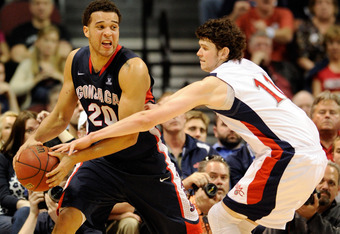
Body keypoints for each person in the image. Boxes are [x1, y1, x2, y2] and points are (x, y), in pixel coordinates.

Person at [51, 17, 328, 233]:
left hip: (287, 156)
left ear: (224, 51)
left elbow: (147, 120)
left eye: (204, 48)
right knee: (238, 221)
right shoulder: (249, 67)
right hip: (308, 153)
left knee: (223, 218)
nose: (197, 53)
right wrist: (159, 109)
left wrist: (90, 138)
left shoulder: (217, 83)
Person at [15, 1, 202, 233]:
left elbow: (128, 137)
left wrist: (73, 158)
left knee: (189, 230)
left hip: (144, 162)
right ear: (86, 30)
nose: (108, 33)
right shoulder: (75, 60)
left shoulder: (132, 68)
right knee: (66, 216)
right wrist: (30, 142)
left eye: (114, 27)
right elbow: (61, 116)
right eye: (101, 26)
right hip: (101, 160)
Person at [264, 160, 340, 233]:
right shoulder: (294, 207)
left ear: (338, 190)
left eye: (331, 183)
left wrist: (312, 217)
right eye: (320, 180)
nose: (325, 187)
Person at [158, 92, 218, 179]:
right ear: (158, 118)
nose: (174, 115)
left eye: (178, 109)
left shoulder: (206, 151)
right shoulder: (151, 152)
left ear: (185, 115)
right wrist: (185, 184)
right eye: (168, 110)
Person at [0, 111, 39, 234]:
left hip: (39, 212)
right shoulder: (4, 158)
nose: (35, 134)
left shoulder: (48, 158)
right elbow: (3, 197)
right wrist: (30, 206)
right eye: (29, 130)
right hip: (6, 213)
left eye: (39, 129)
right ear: (19, 133)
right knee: (25, 214)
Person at [10, 25, 65, 110]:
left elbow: (75, 87)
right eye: (46, 40)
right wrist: (35, 80)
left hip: (59, 109)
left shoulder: (63, 63)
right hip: (34, 109)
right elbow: (13, 88)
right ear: (38, 42)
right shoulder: (28, 64)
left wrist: (57, 76)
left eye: (53, 41)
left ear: (57, 44)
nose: (49, 45)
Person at [183, 155, 230, 234]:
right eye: (213, 176)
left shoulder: (235, 209)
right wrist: (183, 184)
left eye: (223, 177)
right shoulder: (186, 206)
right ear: (199, 178)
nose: (219, 182)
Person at [294, 0, 339, 73]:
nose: (324, 7)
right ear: (313, 7)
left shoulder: (338, 25)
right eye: (319, 3)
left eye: (328, 3)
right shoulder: (304, 27)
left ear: (335, 7)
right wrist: (319, 72)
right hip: (313, 72)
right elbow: (301, 57)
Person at [309, 25, 340, 96]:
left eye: (339, 43)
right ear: (326, 45)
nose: (335, 47)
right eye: (331, 43)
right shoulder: (319, 70)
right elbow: (316, 97)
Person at [311, 90, 340, 161]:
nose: (327, 115)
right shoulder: (304, 143)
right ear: (312, 117)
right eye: (322, 112)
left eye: (332, 112)